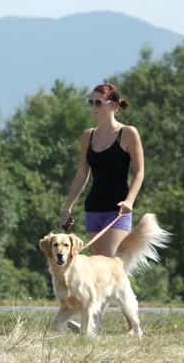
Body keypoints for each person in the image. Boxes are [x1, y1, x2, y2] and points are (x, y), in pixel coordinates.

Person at [58, 83, 144, 257]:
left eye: (98, 103)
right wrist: (68, 208)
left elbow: (140, 172)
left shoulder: (128, 133)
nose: (93, 107)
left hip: (117, 210)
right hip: (94, 208)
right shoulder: (88, 136)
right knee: (99, 268)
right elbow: (82, 174)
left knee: (110, 266)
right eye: (91, 102)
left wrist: (130, 201)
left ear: (113, 105)